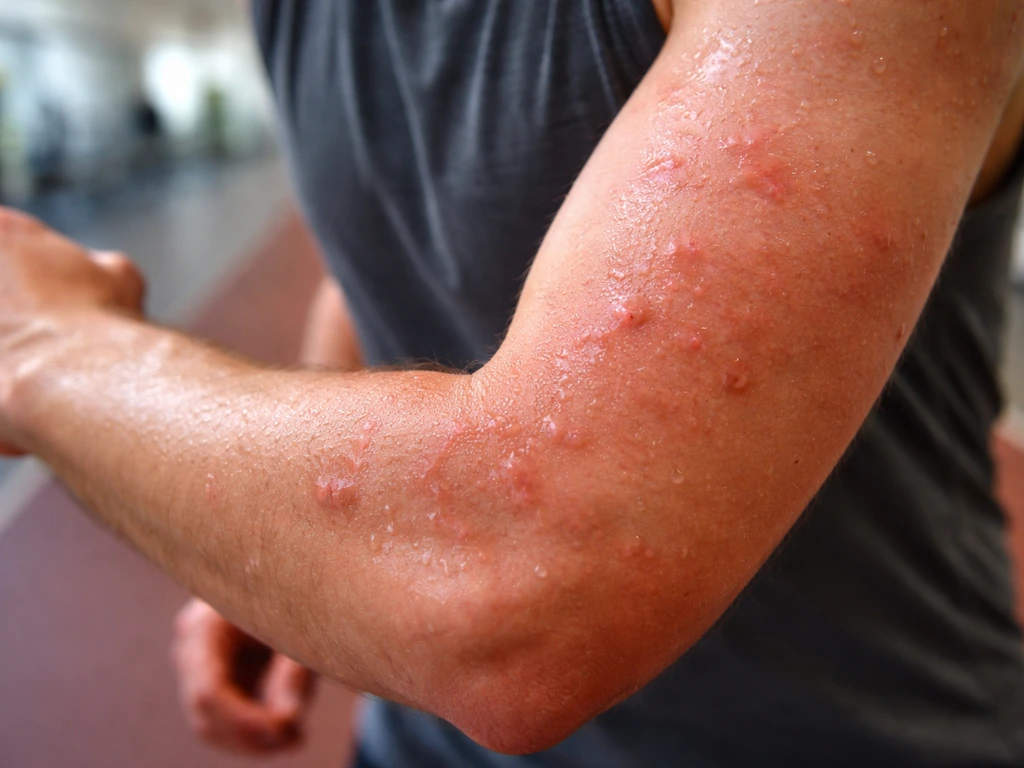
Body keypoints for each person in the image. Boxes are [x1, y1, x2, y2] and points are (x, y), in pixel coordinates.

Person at [2, 0, 1024, 764]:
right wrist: (288, 537)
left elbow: (525, 589)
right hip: (425, 744)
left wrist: (41, 348)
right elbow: (392, 245)